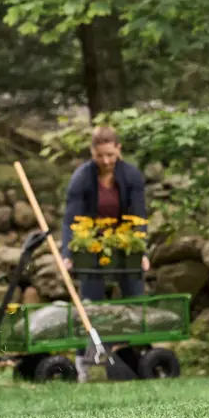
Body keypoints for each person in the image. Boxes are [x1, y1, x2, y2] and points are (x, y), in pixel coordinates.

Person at [61, 124, 150, 300]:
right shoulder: (81, 178)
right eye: (99, 156)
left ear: (118, 148)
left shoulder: (131, 176)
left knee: (134, 292)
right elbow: (71, 219)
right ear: (92, 151)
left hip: (125, 239)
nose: (106, 161)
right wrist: (67, 254)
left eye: (110, 155)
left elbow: (138, 216)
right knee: (91, 296)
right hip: (92, 241)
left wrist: (142, 252)